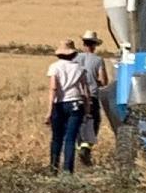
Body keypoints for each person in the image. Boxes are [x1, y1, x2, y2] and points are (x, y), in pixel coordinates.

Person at [46, 39, 92, 175]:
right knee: (70, 139)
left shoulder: (54, 67)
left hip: (59, 104)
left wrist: (49, 111)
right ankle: (67, 170)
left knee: (56, 138)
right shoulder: (79, 68)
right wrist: (88, 110)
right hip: (76, 105)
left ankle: (53, 168)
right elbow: (85, 90)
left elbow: (53, 88)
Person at [75, 30, 110, 166]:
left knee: (78, 123)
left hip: (76, 96)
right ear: (95, 45)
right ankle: (86, 149)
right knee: (94, 123)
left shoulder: (75, 58)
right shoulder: (98, 60)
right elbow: (104, 80)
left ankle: (80, 149)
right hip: (92, 96)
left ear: (83, 43)